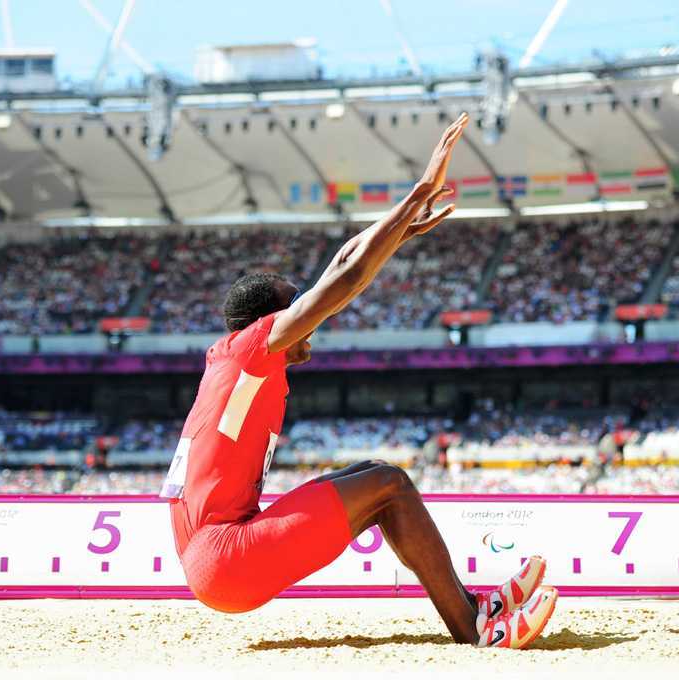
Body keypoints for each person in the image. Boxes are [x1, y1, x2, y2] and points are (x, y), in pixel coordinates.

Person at [160, 113, 557, 648]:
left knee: (373, 474)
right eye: (296, 304)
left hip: (215, 553)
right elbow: (345, 277)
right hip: (228, 556)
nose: (311, 313)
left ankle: (470, 606)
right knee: (391, 485)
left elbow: (341, 267)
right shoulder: (255, 346)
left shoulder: (233, 357)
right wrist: (419, 193)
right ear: (268, 319)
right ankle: (475, 629)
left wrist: (396, 231)